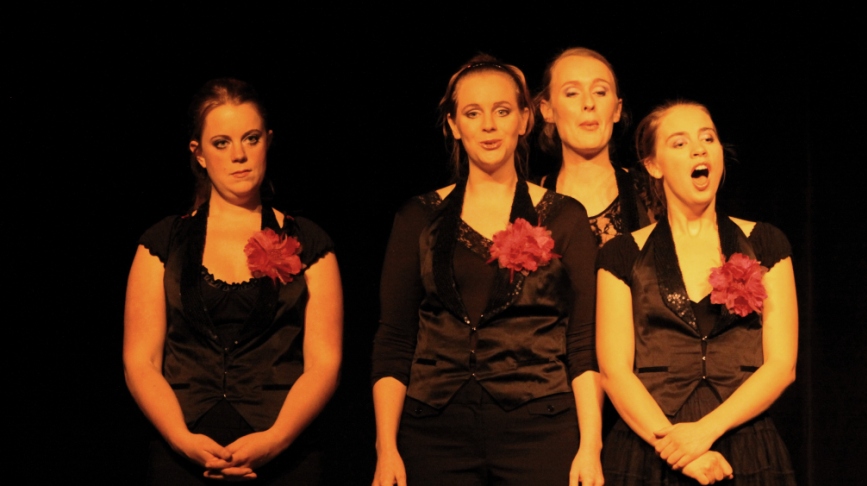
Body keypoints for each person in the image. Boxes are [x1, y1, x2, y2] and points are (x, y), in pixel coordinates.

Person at [371, 55, 604, 486]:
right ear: (453, 125)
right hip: (434, 428)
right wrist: (386, 448)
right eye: (473, 113)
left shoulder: (563, 216)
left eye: (502, 111)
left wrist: (591, 447)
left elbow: (583, 341)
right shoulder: (419, 217)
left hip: (540, 424)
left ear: (525, 119)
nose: (489, 126)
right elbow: (395, 337)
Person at [123, 78, 343, 484]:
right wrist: (181, 439)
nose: (239, 155)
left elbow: (324, 363)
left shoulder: (308, 241)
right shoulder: (162, 242)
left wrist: (274, 440)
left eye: (251, 139)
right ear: (199, 153)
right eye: (221, 143)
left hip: (284, 458)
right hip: (182, 456)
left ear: (268, 141)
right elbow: (141, 360)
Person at [596, 101, 798, 485]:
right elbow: (614, 371)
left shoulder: (765, 243)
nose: (699, 149)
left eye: (708, 138)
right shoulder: (622, 255)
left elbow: (781, 365)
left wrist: (704, 432)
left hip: (743, 441)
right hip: (652, 447)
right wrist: (680, 451)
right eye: (680, 143)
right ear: (653, 165)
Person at [535, 48, 655, 247]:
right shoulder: (529, 199)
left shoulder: (652, 194)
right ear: (547, 110)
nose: (589, 103)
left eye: (600, 92)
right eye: (572, 93)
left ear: (617, 109)